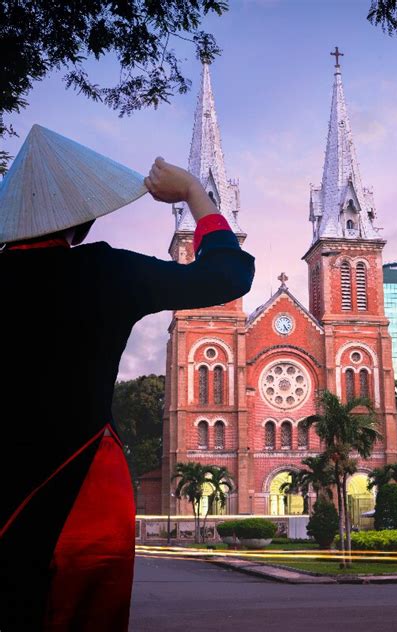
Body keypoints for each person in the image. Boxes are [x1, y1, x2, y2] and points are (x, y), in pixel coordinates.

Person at [0, 150, 255, 630]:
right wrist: (194, 194)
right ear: (81, 222)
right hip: (81, 486)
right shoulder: (103, 273)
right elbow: (228, 275)